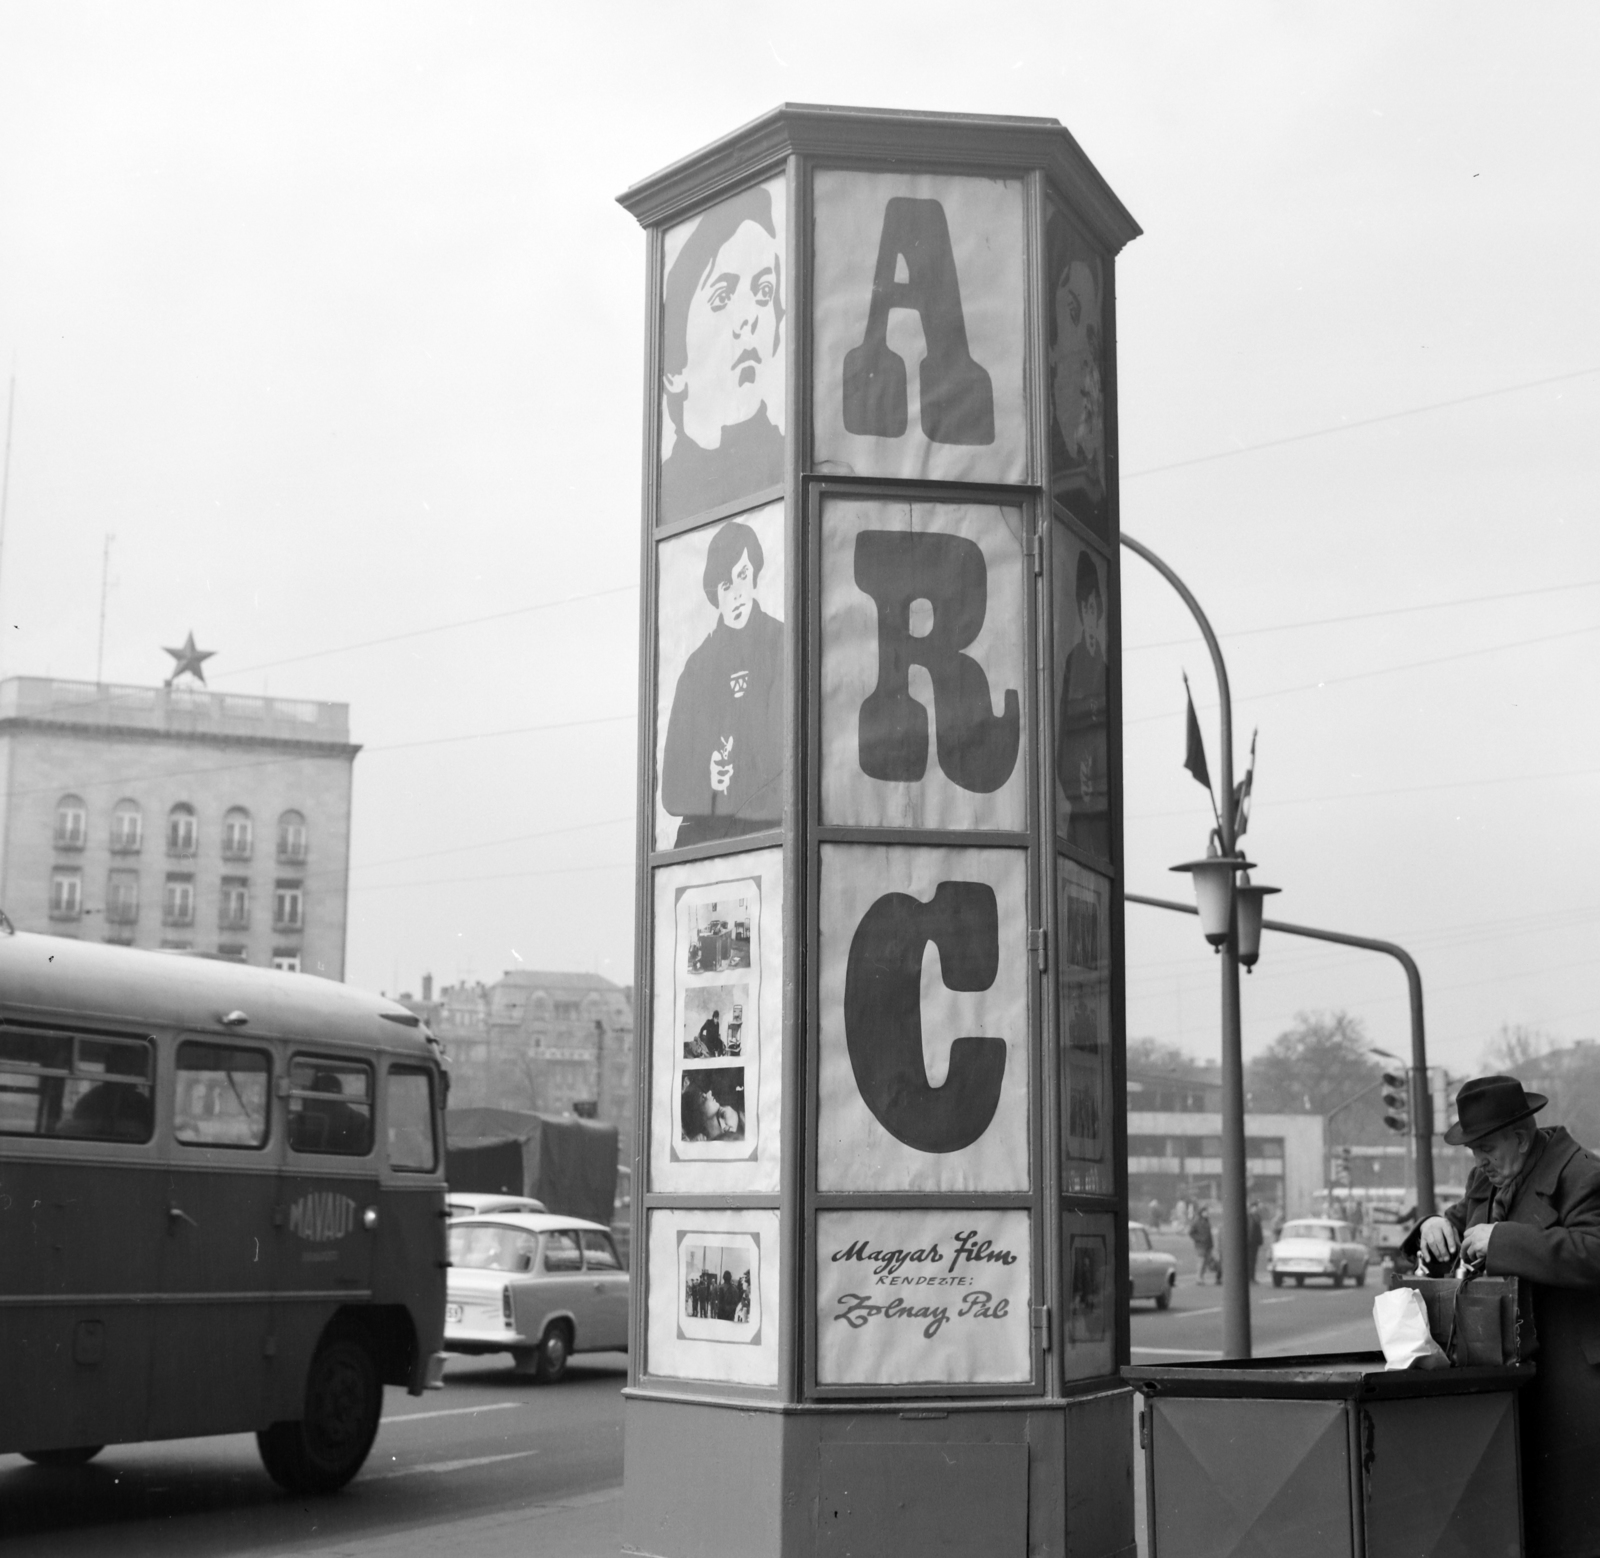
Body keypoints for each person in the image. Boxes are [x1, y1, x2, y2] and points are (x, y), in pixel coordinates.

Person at [1407, 1075, 1600, 1558]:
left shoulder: (1583, 1175)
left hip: (1571, 1387)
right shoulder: (1491, 1177)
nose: (1480, 1162)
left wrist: (1502, 1242)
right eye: (1474, 1152)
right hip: (1509, 1381)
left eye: (1487, 1148)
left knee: (1572, 1526)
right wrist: (1434, 1225)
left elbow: (1594, 1253)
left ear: (1521, 1136)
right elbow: (1462, 1221)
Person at [659, 182, 784, 524]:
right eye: (723, 296)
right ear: (673, 371)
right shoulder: (667, 502)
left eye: (763, 291)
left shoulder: (796, 474)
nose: (749, 318)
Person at [660, 520, 784, 847]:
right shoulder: (696, 669)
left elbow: (786, 765)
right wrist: (707, 777)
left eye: (742, 575)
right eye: (726, 584)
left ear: (755, 575)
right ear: (715, 593)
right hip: (706, 849)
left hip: (768, 840)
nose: (737, 592)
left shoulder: (780, 644)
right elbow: (670, 789)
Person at [1056, 549, 1110, 858]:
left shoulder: (1104, 669)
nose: (1090, 614)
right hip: (1082, 789)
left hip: (1099, 797)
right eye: (1085, 607)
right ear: (1080, 611)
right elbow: (1065, 729)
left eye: (1094, 606)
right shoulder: (1073, 662)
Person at [1188, 1205, 1217, 1284]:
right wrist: (1199, 1239)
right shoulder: (1197, 1221)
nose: (1207, 1213)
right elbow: (1191, 1233)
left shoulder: (1206, 1221)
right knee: (1201, 1261)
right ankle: (1198, 1277)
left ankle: (1201, 1276)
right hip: (1200, 1245)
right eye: (1206, 1212)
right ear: (1202, 1212)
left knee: (1205, 1262)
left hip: (1207, 1244)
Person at [1246, 1202, 1264, 1283]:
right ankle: (1249, 1277)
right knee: (1249, 1261)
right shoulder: (1248, 1217)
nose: (1255, 1209)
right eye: (1254, 1207)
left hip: (1255, 1242)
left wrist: (1260, 1240)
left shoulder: (1257, 1217)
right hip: (1249, 1242)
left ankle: (1252, 1277)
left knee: (1253, 1261)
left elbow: (1258, 1231)